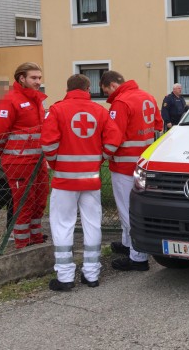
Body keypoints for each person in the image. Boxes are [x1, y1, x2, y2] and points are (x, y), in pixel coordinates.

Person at [41, 74, 122, 291]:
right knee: (92, 224)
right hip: (91, 179)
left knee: (62, 224)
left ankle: (65, 277)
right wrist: (100, 158)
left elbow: (48, 144)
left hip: (64, 180)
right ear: (88, 89)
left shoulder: (57, 110)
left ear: (68, 89)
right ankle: (91, 274)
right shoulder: (99, 111)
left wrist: (55, 164)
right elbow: (114, 140)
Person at [100, 70, 163, 271]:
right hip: (144, 164)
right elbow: (158, 127)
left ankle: (137, 257)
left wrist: (103, 155)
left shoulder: (121, 102)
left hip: (123, 166)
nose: (108, 96)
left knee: (128, 211)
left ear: (110, 85)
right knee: (136, 207)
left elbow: (113, 137)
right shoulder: (148, 97)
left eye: (105, 91)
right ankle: (128, 244)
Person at [0, 62, 49, 249]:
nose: (38, 82)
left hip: (37, 160)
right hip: (19, 161)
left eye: (39, 78)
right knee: (24, 202)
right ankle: (22, 242)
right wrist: (3, 155)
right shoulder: (9, 99)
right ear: (22, 78)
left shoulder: (36, 99)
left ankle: (35, 237)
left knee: (39, 201)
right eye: (34, 78)